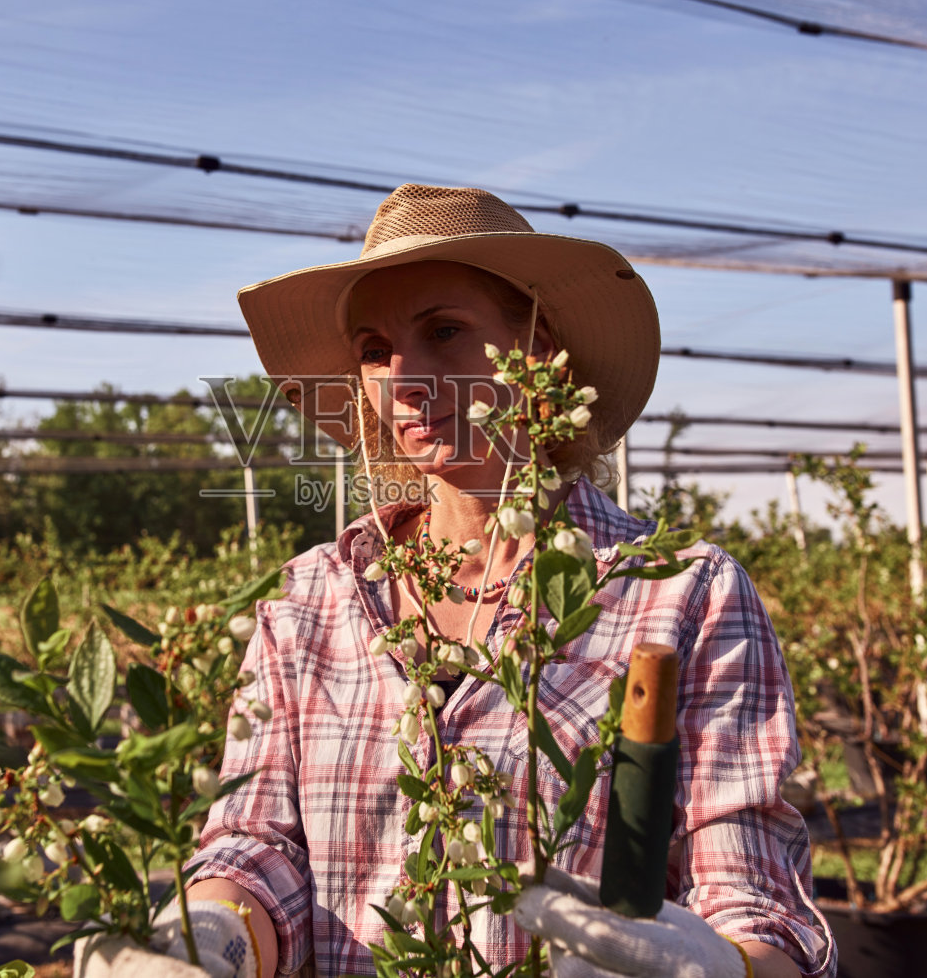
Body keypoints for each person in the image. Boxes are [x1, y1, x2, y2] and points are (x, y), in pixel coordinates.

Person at [146, 185, 834, 978]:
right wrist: (209, 939)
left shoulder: (680, 594)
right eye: (374, 348)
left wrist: (720, 966)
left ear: (539, 352)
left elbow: (752, 897)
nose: (403, 376)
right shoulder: (310, 599)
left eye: (444, 330)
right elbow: (256, 842)